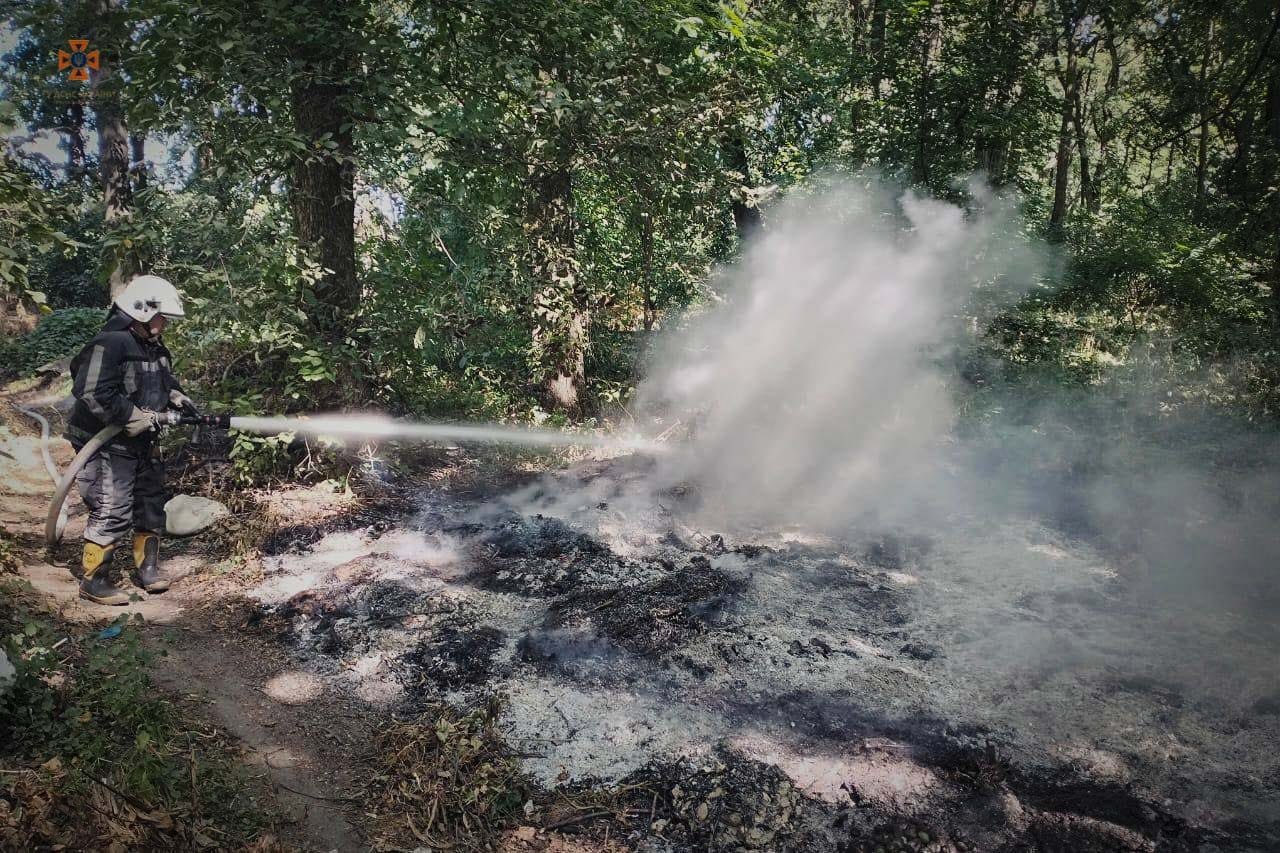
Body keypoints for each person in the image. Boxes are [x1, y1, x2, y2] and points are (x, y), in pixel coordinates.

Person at [65, 274, 195, 605]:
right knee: (113, 506)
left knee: (151, 503)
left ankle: (148, 569)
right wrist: (131, 416)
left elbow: (162, 381)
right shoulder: (110, 343)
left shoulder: (154, 347)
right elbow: (91, 391)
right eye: (161, 315)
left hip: (144, 439)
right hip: (106, 442)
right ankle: (94, 579)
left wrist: (175, 396)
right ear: (141, 310)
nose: (164, 322)